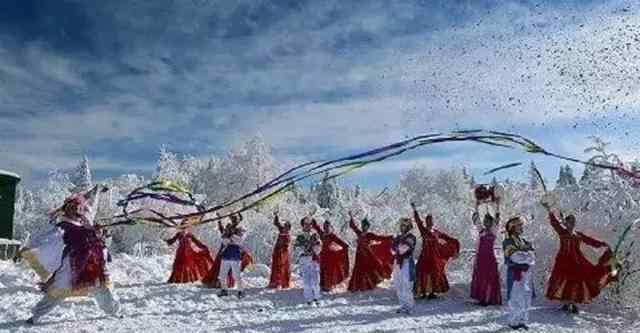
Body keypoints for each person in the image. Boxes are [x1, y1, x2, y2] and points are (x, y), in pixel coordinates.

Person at [21, 186, 120, 324]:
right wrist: (30, 249)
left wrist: (99, 235)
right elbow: (47, 240)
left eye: (78, 207)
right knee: (57, 292)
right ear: (66, 209)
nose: (75, 210)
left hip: (92, 265)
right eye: (72, 207)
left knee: (102, 290)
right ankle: (36, 316)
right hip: (72, 265)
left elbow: (94, 241)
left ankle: (114, 312)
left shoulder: (85, 223)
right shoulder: (63, 226)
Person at [542, 202, 615, 314]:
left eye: (573, 222)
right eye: (569, 222)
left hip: (576, 261)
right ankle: (566, 303)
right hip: (563, 261)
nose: (571, 224)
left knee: (577, 281)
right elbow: (554, 223)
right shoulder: (562, 232)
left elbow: (590, 241)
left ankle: (573, 303)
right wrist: (549, 210)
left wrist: (603, 244)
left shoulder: (578, 234)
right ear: (565, 223)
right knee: (563, 281)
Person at [412, 203, 460, 299]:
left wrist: (455, 244)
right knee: (421, 271)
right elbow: (418, 222)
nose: (429, 222)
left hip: (434, 256)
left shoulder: (437, 232)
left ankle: (432, 292)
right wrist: (415, 210)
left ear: (433, 222)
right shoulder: (423, 230)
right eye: (427, 220)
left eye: (431, 220)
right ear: (426, 222)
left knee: (435, 272)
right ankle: (423, 291)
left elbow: (448, 239)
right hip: (425, 255)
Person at [202, 213, 253, 290]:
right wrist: (219, 220)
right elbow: (222, 229)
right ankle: (217, 282)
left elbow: (236, 234)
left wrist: (237, 219)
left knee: (228, 268)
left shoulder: (236, 230)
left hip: (230, 251)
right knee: (219, 267)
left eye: (234, 219)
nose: (227, 228)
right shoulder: (227, 230)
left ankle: (223, 283)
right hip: (224, 251)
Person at [347, 212, 394, 292]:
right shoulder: (359, 233)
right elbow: (353, 226)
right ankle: (357, 286)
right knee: (358, 270)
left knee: (368, 269)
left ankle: (367, 285)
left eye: (365, 226)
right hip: (359, 255)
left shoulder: (370, 235)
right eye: (363, 225)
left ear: (368, 227)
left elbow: (379, 238)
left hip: (367, 255)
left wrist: (390, 237)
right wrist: (351, 216)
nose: (363, 227)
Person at [503, 216, 535, 331]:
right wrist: (527, 254)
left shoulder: (524, 241)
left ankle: (523, 321)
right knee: (515, 298)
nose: (522, 227)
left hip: (526, 274)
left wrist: (525, 254)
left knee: (526, 298)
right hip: (515, 274)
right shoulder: (507, 242)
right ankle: (513, 321)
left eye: (522, 225)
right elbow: (516, 257)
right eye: (519, 225)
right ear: (512, 228)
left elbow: (533, 257)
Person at [166, 217, 214, 283]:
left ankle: (187, 280)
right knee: (178, 265)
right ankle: (176, 279)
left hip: (188, 253)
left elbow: (197, 242)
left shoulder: (190, 235)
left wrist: (204, 247)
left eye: (185, 227)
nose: (184, 228)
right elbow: (172, 241)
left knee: (188, 266)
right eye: (183, 227)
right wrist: (166, 241)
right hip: (180, 252)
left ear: (187, 227)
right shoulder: (179, 234)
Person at [469, 209, 502, 306]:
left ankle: (489, 298)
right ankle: (482, 298)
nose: (485, 222)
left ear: (491, 222)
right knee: (481, 278)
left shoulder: (494, 231)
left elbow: (497, 219)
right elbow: (476, 219)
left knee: (490, 278)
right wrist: (476, 205)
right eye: (485, 221)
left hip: (490, 258)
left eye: (488, 221)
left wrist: (497, 206)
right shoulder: (481, 231)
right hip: (480, 258)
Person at [311, 219, 350, 292]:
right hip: (323, 255)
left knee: (329, 271)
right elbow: (317, 227)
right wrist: (313, 222)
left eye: (327, 226)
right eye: (325, 226)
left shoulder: (332, 236)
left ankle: (328, 286)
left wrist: (345, 247)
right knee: (322, 269)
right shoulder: (322, 234)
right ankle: (322, 285)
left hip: (330, 255)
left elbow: (341, 242)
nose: (326, 228)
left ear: (330, 227)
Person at [294, 216, 322, 305]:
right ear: (303, 225)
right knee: (306, 282)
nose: (308, 226)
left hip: (313, 260)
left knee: (315, 281)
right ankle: (309, 300)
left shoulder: (315, 235)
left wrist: (314, 249)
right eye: (306, 224)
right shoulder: (299, 236)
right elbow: (296, 248)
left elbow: (319, 247)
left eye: (309, 224)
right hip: (304, 260)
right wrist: (303, 249)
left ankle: (317, 298)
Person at [392, 217, 417, 314]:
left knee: (406, 285)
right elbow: (392, 251)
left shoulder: (411, 237)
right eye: (401, 225)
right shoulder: (399, 237)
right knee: (398, 284)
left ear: (408, 227)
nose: (402, 227)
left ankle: (409, 306)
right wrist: (396, 247)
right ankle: (402, 305)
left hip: (406, 263)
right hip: (397, 262)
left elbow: (402, 249)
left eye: (404, 225)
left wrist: (396, 246)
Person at [268, 211, 292, 289]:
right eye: (284, 226)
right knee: (275, 267)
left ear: (289, 228)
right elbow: (276, 223)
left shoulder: (288, 236)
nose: (284, 227)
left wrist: (282, 245)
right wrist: (276, 215)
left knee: (282, 268)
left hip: (283, 254)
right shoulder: (282, 230)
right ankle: (274, 283)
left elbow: (285, 246)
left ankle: (281, 283)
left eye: (286, 227)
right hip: (277, 252)